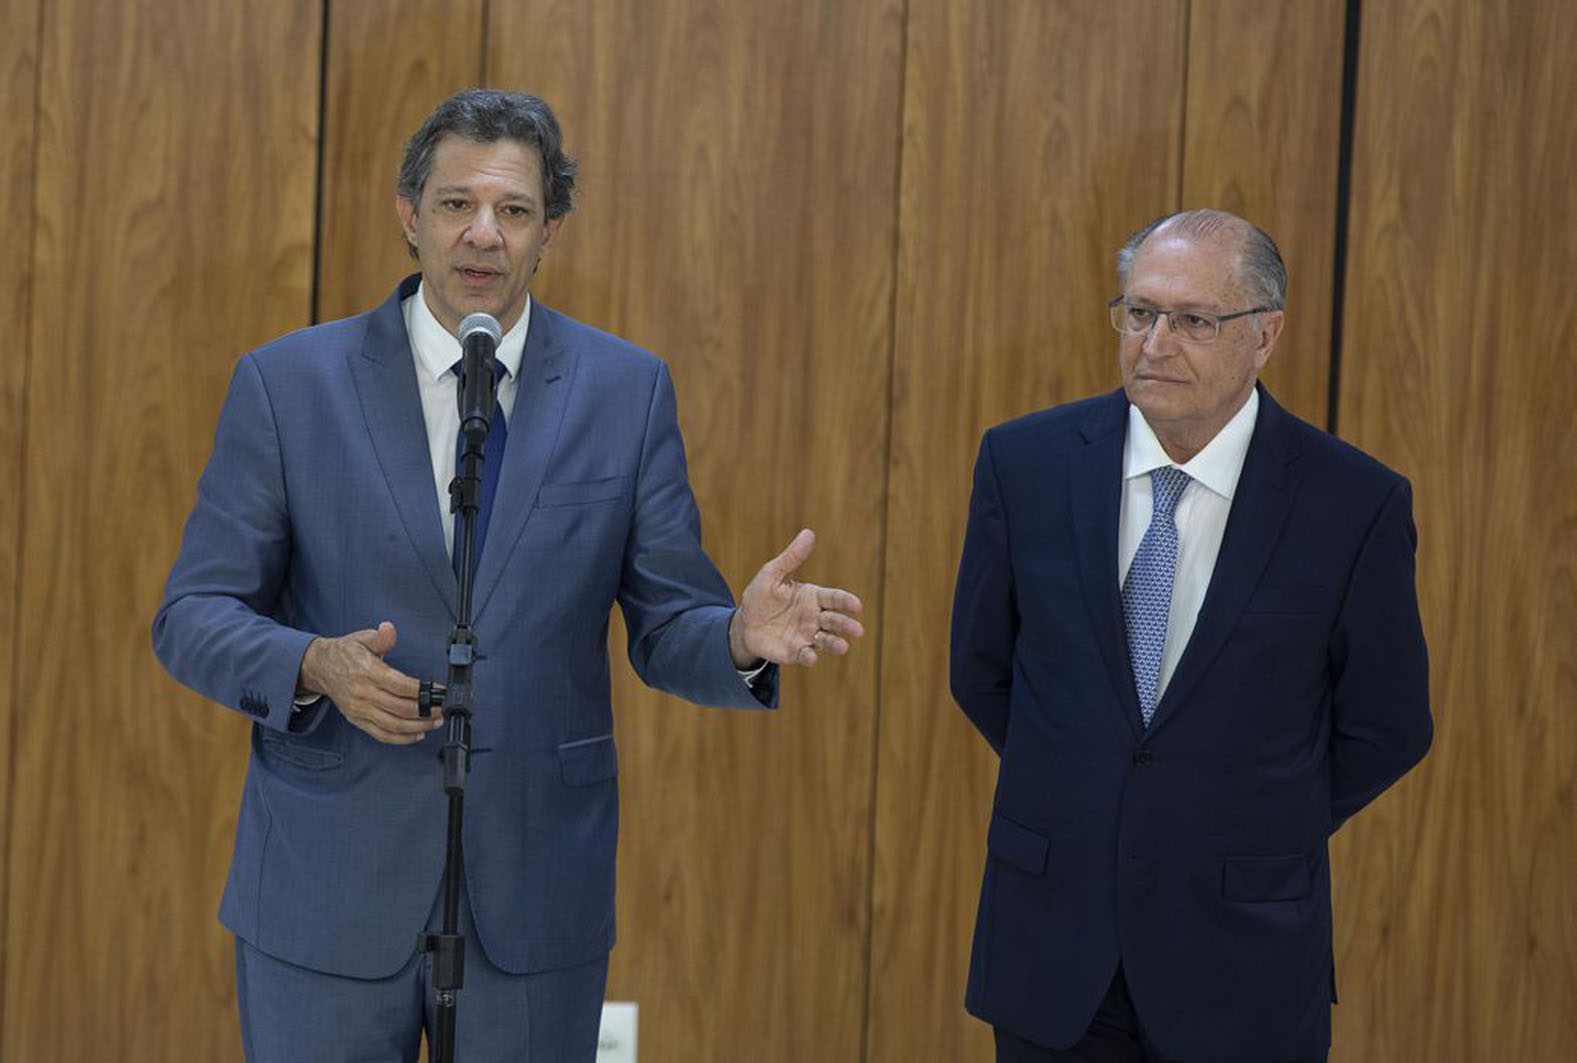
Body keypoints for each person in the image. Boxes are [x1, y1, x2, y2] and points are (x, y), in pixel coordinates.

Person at [152, 88, 864, 1063]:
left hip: (533, 893)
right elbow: (193, 613)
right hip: (325, 886)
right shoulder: (288, 384)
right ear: (409, 215)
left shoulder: (625, 392)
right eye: (456, 204)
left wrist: (737, 640)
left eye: (514, 210)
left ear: (548, 232)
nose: (482, 233)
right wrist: (313, 664)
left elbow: (668, 623)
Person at [950, 209, 1431, 1062]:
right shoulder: (1024, 464)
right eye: (1139, 313)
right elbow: (982, 671)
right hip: (1053, 945)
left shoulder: (1353, 504)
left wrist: (1241, 817)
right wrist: (1089, 788)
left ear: (1263, 334)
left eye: (1193, 320)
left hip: (1240, 957)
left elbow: (1385, 725)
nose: (1155, 344)